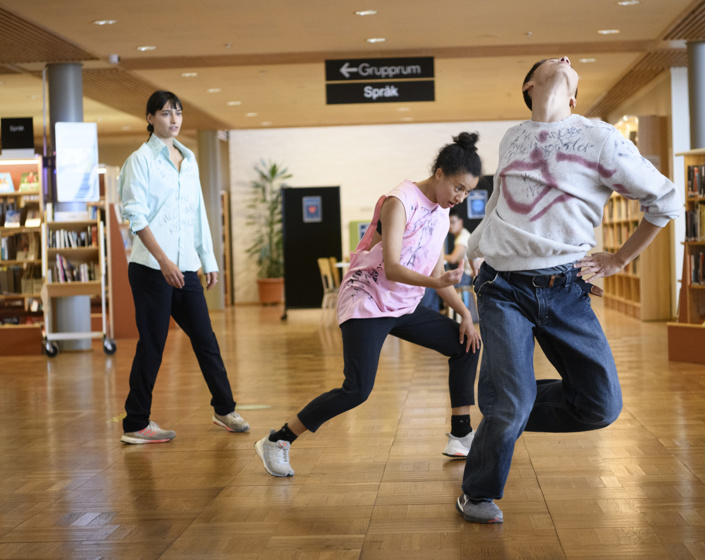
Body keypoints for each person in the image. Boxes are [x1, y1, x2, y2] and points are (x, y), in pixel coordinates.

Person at [456, 57, 681, 523]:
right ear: (529, 84)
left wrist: (620, 258)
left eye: (570, 64)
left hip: (565, 289)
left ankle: (502, 411)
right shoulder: (513, 135)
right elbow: (498, 201)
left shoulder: (601, 137)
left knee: (600, 405)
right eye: (551, 62)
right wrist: (475, 248)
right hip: (500, 287)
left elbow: (665, 200)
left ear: (575, 97)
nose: (564, 59)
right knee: (511, 402)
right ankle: (478, 491)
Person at [255, 132, 484, 477]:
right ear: (440, 173)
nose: (460, 198)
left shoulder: (439, 214)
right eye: (458, 187)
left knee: (466, 344)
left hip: (401, 305)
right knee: (357, 389)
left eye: (467, 192)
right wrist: (437, 284)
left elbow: (436, 272)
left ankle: (461, 434)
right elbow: (392, 267)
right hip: (366, 301)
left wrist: (465, 313)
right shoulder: (399, 201)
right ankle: (278, 440)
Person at [119, 90, 249, 444]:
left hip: (186, 268)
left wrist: (207, 259)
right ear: (150, 118)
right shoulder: (140, 161)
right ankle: (136, 423)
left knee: (205, 339)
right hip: (151, 268)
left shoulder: (188, 161)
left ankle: (224, 408)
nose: (173, 119)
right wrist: (164, 262)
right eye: (164, 113)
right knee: (153, 343)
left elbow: (197, 214)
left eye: (177, 113)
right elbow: (135, 216)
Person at [443, 214, 478, 321]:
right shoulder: (462, 235)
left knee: (439, 282)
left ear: (460, 221)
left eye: (453, 222)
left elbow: (453, 259)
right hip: (469, 274)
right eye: (449, 223)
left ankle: (449, 314)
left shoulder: (462, 237)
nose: (450, 226)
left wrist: (437, 256)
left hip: (467, 277)